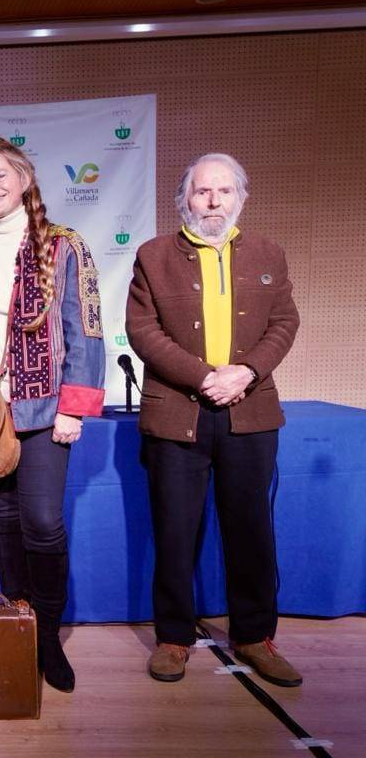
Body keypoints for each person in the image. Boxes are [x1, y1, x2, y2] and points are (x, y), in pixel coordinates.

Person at [126, 153, 301, 686]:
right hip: (179, 414)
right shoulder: (153, 256)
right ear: (185, 199)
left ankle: (254, 637)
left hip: (250, 412)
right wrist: (205, 377)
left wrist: (246, 371)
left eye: (224, 191)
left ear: (241, 197)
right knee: (175, 532)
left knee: (251, 531)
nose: (212, 201)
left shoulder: (270, 252)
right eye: (202, 191)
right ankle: (174, 639)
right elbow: (143, 331)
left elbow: (284, 321)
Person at [0, 137, 105, 693]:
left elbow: (86, 329)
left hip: (45, 409)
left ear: (23, 178)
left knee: (42, 522)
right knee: (2, 516)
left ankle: (46, 637)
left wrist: (76, 406)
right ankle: (19, 626)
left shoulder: (65, 245)